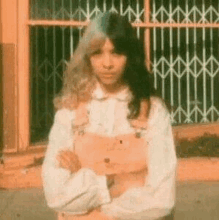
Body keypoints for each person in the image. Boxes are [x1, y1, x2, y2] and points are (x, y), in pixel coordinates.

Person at [42, 12, 177, 220]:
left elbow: (162, 199)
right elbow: (56, 196)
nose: (107, 63)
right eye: (98, 53)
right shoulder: (69, 111)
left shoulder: (153, 112)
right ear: (87, 56)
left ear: (131, 55)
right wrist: (116, 183)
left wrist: (88, 192)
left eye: (116, 53)